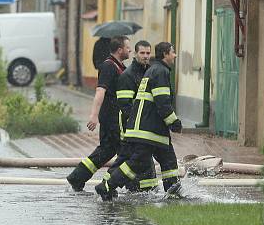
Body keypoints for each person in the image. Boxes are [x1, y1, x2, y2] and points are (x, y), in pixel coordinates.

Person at [96, 41, 182, 201]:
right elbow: (162, 102)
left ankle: (174, 192)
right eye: (173, 52)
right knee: (137, 162)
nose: (175, 55)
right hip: (149, 130)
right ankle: (107, 186)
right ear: (165, 54)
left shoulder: (151, 70)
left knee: (168, 159)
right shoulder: (160, 72)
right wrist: (174, 122)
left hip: (149, 129)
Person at [67, 36, 131, 191]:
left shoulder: (119, 66)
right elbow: (100, 91)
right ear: (120, 50)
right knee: (123, 150)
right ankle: (112, 184)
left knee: (108, 150)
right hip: (110, 116)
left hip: (116, 116)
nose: (130, 50)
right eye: (128, 47)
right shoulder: (109, 67)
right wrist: (93, 116)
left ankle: (78, 177)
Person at [112, 40, 156, 191]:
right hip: (130, 125)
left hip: (144, 126)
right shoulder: (127, 75)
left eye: (148, 53)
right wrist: (136, 124)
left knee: (140, 157)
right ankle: (109, 184)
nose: (145, 56)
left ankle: (144, 190)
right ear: (136, 54)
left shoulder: (150, 72)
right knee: (128, 158)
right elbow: (125, 105)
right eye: (142, 53)